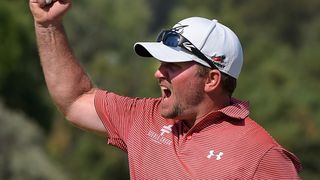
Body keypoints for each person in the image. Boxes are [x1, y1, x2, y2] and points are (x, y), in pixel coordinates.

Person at [29, 0, 302, 179]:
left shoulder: (262, 157)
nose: (158, 72)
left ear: (212, 79)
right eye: (161, 63)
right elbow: (75, 100)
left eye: (173, 65)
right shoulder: (145, 117)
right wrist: (47, 25)